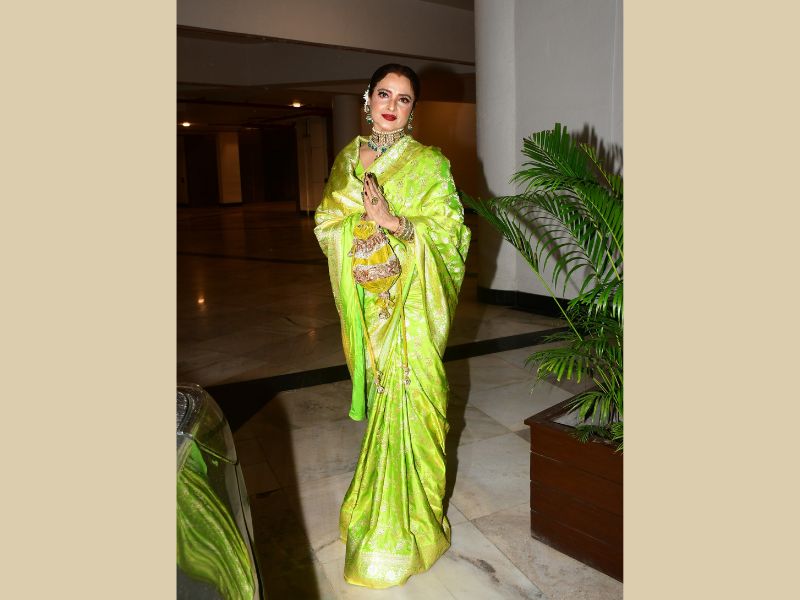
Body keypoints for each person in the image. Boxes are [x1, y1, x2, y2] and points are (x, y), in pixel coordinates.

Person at [314, 63, 470, 589]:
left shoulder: (429, 164)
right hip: (370, 303)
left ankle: (414, 525)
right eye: (384, 94)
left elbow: (450, 235)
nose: (391, 106)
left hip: (413, 307)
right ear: (367, 98)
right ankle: (374, 508)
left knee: (418, 398)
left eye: (403, 99)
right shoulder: (347, 159)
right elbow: (326, 221)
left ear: (412, 110)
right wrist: (358, 229)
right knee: (385, 401)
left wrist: (393, 223)